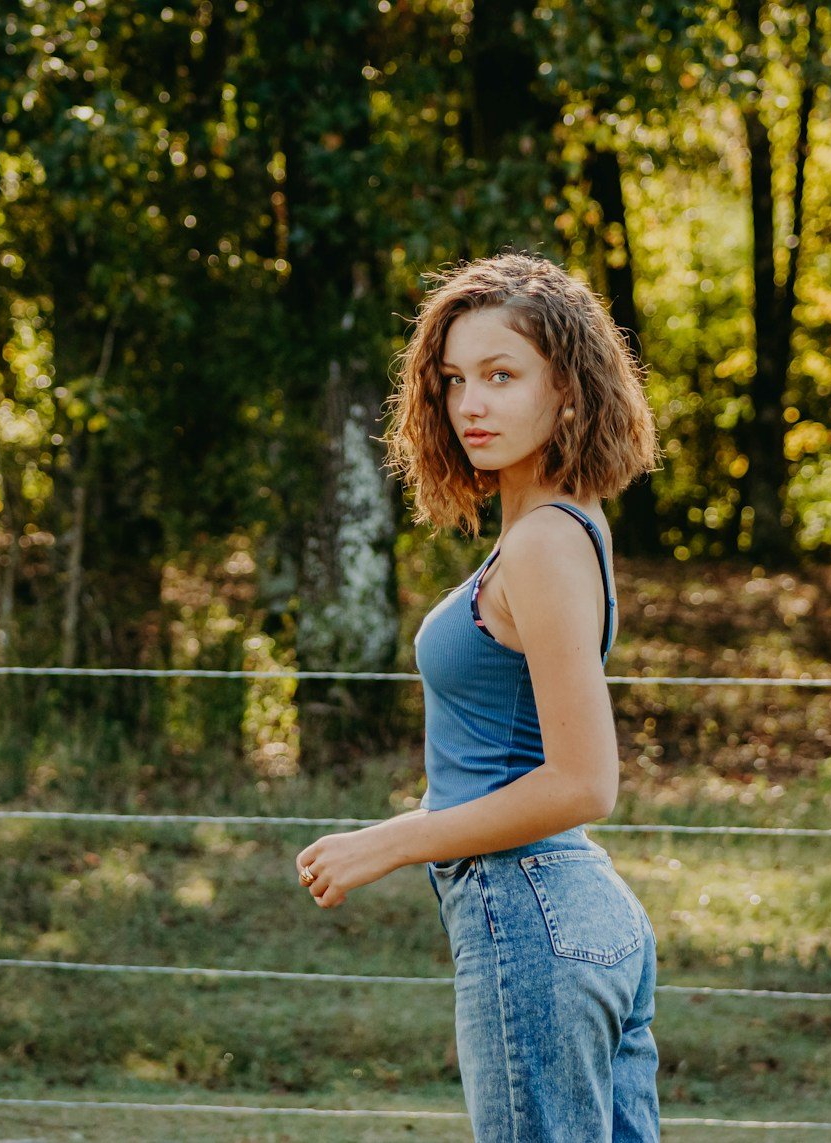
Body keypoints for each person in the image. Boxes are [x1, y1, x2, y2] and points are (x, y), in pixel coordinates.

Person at [294, 252, 661, 1141]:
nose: (471, 404)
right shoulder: (562, 527)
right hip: (577, 914)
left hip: (530, 908)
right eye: (455, 379)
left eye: (503, 376)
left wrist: (389, 841)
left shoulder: (543, 544)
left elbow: (585, 782)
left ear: (568, 390)